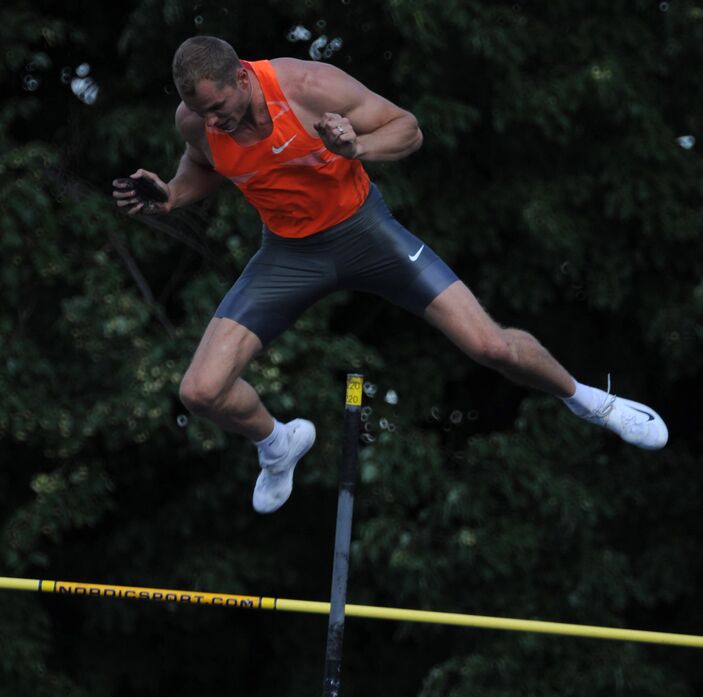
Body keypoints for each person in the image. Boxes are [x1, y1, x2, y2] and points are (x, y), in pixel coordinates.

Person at [113, 36, 668, 514]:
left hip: (366, 235)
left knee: (489, 346)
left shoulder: (309, 86)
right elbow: (201, 169)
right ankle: (278, 444)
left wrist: (358, 146)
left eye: (219, 107)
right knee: (200, 391)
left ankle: (591, 400)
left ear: (241, 76)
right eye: (201, 114)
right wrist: (169, 196)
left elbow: (408, 129)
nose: (213, 122)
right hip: (287, 255)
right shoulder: (197, 120)